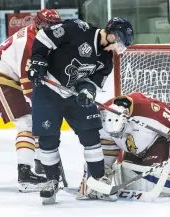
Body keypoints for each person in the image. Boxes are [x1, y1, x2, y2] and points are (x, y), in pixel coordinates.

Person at [27, 17, 134, 204]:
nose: (117, 48)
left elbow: (93, 82)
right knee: (48, 138)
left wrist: (87, 91)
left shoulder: (106, 59)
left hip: (74, 94)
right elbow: (45, 37)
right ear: (110, 34)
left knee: (92, 135)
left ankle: (98, 181)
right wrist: (37, 61)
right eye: (118, 42)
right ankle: (51, 181)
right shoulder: (78, 30)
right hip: (48, 89)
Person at [76, 92, 170, 200]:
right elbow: (106, 144)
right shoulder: (102, 116)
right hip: (132, 147)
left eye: (120, 131)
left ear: (127, 118)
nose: (118, 135)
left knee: (149, 180)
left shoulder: (150, 111)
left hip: (155, 143)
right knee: (133, 176)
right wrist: (96, 175)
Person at [0, 9, 62, 193]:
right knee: (27, 123)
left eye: (54, 26)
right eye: (47, 26)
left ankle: (39, 165)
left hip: (9, 77)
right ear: (38, 24)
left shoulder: (42, 37)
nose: (51, 30)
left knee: (33, 123)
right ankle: (25, 176)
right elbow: (28, 84)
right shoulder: (29, 42)